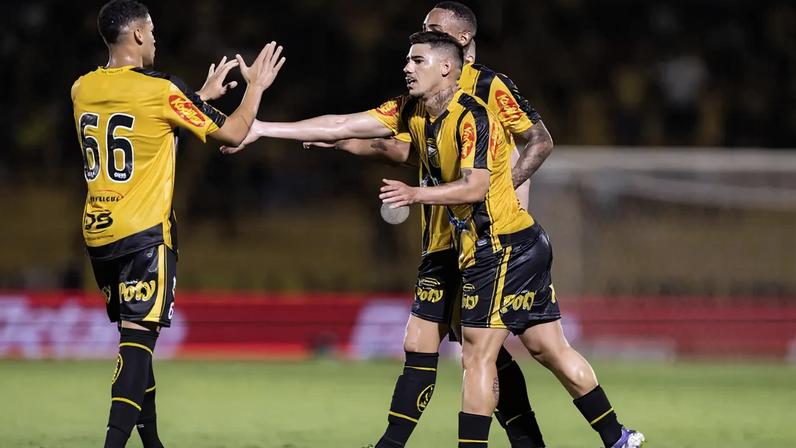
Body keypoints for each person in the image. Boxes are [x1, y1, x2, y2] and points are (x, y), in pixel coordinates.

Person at [222, 31, 644, 448]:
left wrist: (416, 194)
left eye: (416, 60)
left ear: (447, 67)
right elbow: (342, 123)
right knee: (544, 347)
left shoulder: (474, 115)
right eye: (407, 60)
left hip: (502, 247)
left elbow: (476, 187)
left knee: (479, 356)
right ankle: (616, 438)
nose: (406, 67)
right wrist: (261, 127)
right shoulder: (412, 110)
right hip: (483, 246)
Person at [299, 3, 553, 446]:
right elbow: (400, 150)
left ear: (461, 45)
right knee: (435, 347)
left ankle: (543, 438)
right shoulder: (419, 98)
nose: (420, 42)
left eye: (433, 33)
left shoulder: (487, 91)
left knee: (494, 354)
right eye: (422, 33)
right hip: (440, 239)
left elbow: (537, 141)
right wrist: (336, 140)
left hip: (487, 243)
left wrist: (501, 191)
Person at [71, 1, 285, 446]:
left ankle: (153, 445)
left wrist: (197, 100)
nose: (155, 38)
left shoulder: (82, 88)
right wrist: (256, 87)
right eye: (151, 31)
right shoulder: (162, 89)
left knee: (135, 340)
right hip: (145, 233)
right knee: (136, 347)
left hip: (98, 233)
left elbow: (141, 125)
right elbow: (234, 133)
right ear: (136, 37)